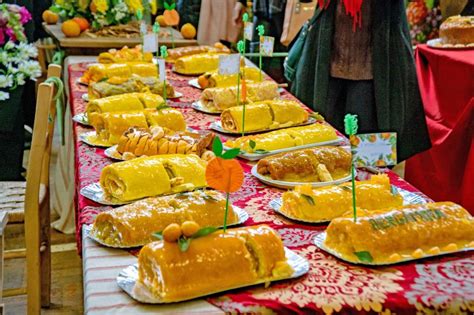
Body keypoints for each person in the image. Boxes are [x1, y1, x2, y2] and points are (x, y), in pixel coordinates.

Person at [291, 0, 431, 162]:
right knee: (322, 146)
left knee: (372, 158)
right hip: (327, 66)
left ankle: (371, 185)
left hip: (376, 70)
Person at [234, 0, 288, 82]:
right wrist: (241, 2)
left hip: (282, 17)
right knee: (259, 62)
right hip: (261, 15)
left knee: (274, 66)